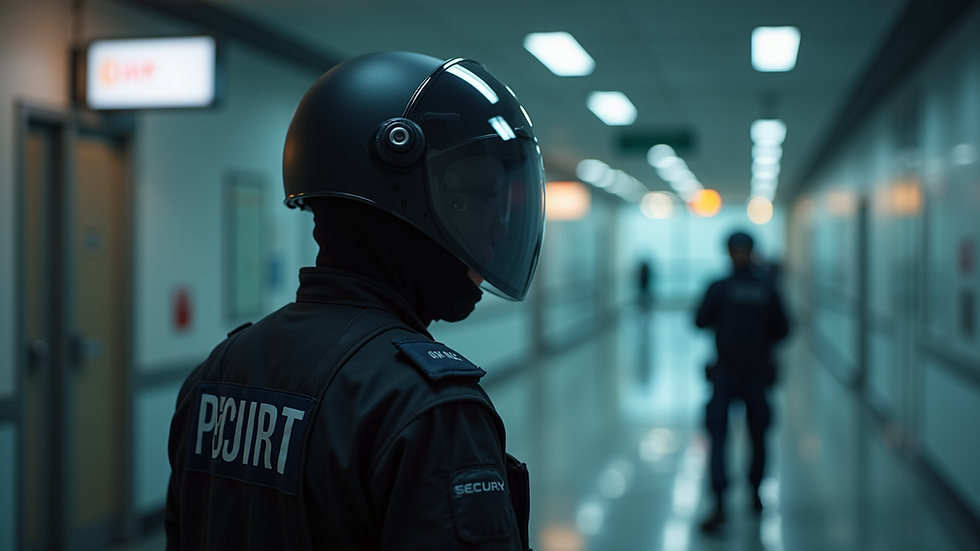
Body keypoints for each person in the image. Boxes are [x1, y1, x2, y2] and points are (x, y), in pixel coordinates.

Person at [165, 51, 545, 551]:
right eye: (475, 197)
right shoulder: (428, 410)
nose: (498, 228)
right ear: (402, 198)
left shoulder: (217, 373)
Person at [694, 231, 789, 532]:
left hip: (725, 373)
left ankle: (720, 502)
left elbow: (698, 321)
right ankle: (755, 494)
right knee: (757, 436)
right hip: (757, 374)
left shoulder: (719, 287)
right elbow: (784, 329)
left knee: (719, 437)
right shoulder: (768, 287)